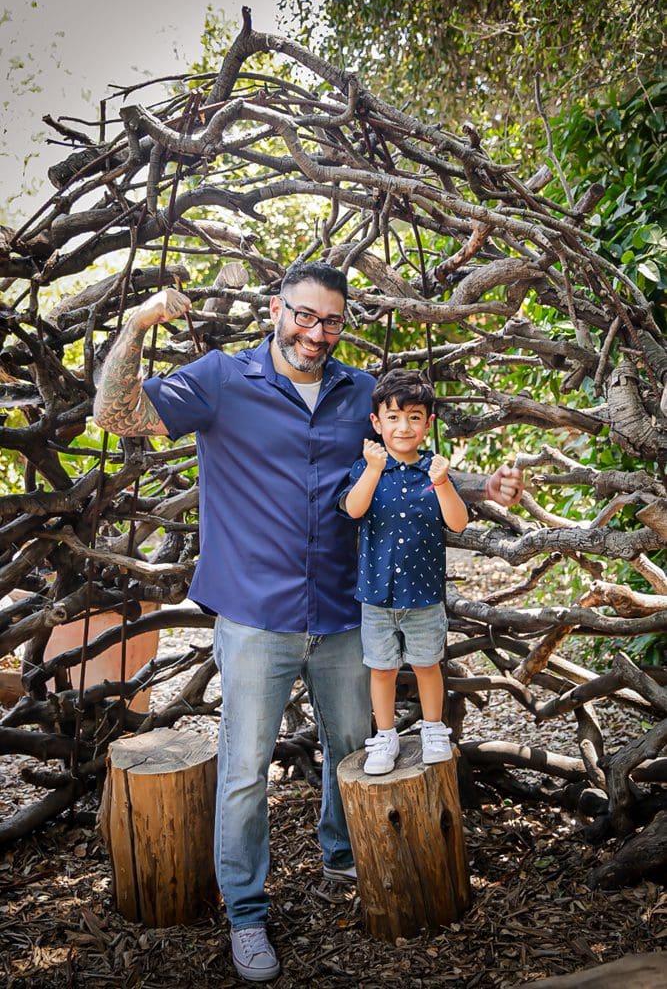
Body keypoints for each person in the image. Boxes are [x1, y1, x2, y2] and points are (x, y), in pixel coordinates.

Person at [93, 260, 523, 983]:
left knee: (354, 747)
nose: (315, 333)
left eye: (330, 320)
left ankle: (346, 860)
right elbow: (117, 414)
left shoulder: (360, 390)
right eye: (303, 315)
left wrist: (483, 485)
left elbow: (405, 460)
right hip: (256, 613)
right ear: (274, 308)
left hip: (344, 606)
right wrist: (137, 326)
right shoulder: (222, 379)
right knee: (242, 771)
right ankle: (247, 912)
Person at [339, 369, 468, 775]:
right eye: (392, 417)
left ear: (428, 424)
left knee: (428, 664)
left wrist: (444, 483)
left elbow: (459, 523)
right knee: (382, 669)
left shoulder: (433, 471)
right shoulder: (367, 469)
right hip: (376, 595)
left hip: (424, 595)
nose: (403, 426)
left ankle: (433, 728)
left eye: (414, 417)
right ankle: (385, 735)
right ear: (376, 423)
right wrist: (373, 469)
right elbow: (353, 509)